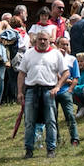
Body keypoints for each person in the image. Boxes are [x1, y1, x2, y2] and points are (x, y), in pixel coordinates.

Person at [18, 28, 67, 158]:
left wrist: (58, 87)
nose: (42, 42)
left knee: (50, 120)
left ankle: (51, 149)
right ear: (36, 41)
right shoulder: (29, 53)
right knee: (29, 121)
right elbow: (21, 73)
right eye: (40, 39)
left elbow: (66, 72)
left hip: (48, 90)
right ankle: (29, 150)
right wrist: (20, 92)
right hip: (31, 89)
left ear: (49, 41)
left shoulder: (56, 54)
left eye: (45, 39)